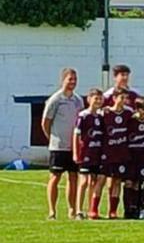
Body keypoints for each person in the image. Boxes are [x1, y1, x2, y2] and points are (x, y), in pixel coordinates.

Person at [42, 68, 84, 220]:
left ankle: (72, 210)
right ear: (63, 80)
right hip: (58, 146)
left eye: (75, 79)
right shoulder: (55, 99)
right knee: (55, 177)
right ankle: (52, 211)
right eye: (70, 79)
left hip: (73, 147)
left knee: (73, 178)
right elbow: (45, 122)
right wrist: (52, 138)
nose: (72, 82)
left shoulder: (78, 100)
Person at [102, 88, 134, 219]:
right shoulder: (106, 112)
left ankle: (113, 210)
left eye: (125, 98)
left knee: (117, 181)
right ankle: (98, 209)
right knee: (107, 180)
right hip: (109, 152)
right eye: (121, 98)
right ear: (114, 98)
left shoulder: (128, 112)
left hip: (122, 152)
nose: (124, 101)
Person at [72, 88, 104, 220]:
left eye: (100, 99)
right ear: (89, 99)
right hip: (85, 153)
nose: (98, 101)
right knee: (83, 181)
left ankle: (91, 209)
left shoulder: (100, 117)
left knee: (93, 182)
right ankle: (78, 210)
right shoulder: (83, 116)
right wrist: (76, 153)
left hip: (97, 153)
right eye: (95, 98)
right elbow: (76, 135)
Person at [127, 97, 144, 219]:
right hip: (131, 156)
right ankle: (129, 209)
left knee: (143, 181)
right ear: (138, 109)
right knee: (131, 182)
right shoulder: (131, 121)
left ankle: (141, 208)